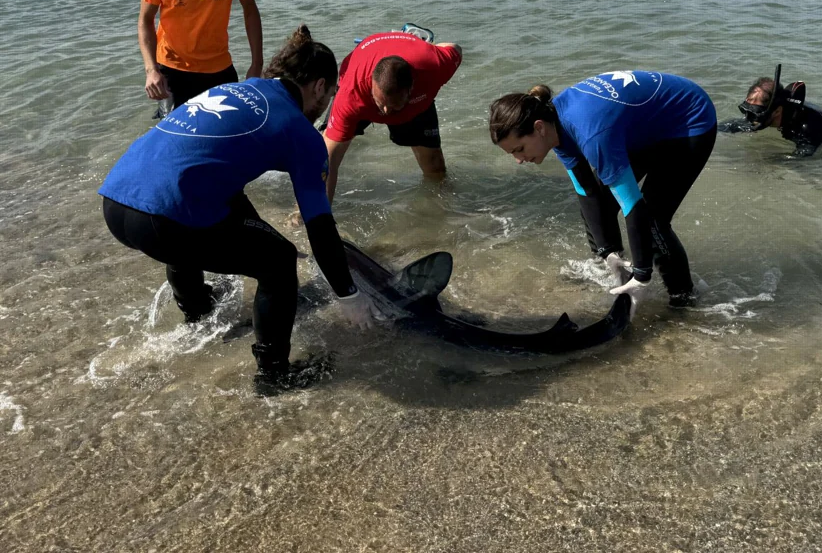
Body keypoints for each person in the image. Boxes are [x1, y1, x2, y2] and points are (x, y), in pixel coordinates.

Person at [100, 25, 375, 396]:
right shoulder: (300, 131)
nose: (324, 106)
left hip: (117, 200)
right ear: (320, 86)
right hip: (164, 220)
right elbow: (319, 224)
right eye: (327, 96)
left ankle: (198, 315)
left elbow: (214, 180)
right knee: (279, 259)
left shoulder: (239, 89)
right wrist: (347, 294)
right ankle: (274, 375)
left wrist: (256, 229)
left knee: (199, 207)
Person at [489, 71, 718, 309]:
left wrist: (642, 276)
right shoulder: (552, 127)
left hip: (689, 120)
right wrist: (607, 252)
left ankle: (684, 300)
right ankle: (618, 271)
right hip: (645, 125)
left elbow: (633, 205)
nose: (518, 159)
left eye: (519, 149)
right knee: (603, 202)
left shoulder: (591, 134)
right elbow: (586, 191)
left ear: (538, 129)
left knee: (653, 220)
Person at [322, 29, 463, 202]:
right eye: (381, 104)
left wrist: (429, 47)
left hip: (416, 91)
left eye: (393, 105)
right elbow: (328, 162)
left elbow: (455, 48)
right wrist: (317, 214)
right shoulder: (351, 94)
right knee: (324, 153)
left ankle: (442, 209)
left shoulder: (434, 67)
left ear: (411, 88)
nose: (386, 112)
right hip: (361, 87)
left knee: (435, 168)